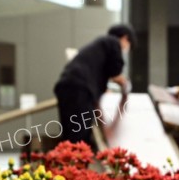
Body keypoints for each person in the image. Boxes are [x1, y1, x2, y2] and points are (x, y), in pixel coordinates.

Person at [53, 24, 136, 152]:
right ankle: (76, 167)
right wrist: (126, 84)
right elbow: (115, 72)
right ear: (125, 38)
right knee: (79, 137)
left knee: (70, 135)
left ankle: (67, 167)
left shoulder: (99, 46)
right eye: (128, 45)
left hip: (66, 86)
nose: (125, 49)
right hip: (80, 90)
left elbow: (102, 73)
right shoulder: (113, 42)